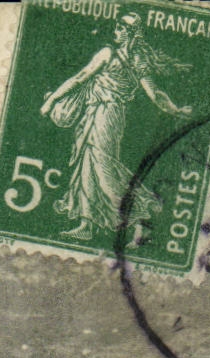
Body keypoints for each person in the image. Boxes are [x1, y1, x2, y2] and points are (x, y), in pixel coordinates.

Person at [39, 12, 192, 240]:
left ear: (130, 34)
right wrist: (174, 109)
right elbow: (156, 95)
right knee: (89, 164)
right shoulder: (137, 61)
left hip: (105, 114)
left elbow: (80, 77)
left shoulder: (109, 54)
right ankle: (87, 224)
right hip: (103, 113)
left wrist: (51, 100)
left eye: (120, 28)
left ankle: (139, 215)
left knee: (102, 166)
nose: (116, 31)